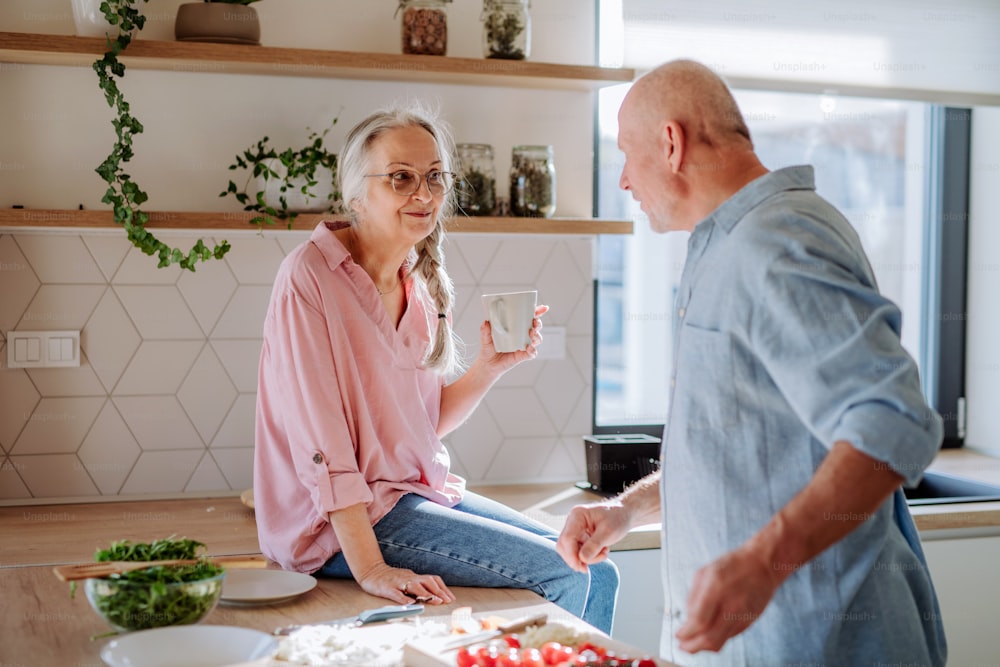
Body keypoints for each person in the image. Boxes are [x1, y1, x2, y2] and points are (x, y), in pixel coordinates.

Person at [556, 60, 947, 664]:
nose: (625, 181)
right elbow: (746, 452)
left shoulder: (780, 241)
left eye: (627, 156)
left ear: (671, 142)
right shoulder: (723, 248)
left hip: (818, 644)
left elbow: (892, 422)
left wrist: (765, 563)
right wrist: (626, 510)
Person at [254, 104, 618, 633]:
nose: (423, 194)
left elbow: (419, 430)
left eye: (434, 178)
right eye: (401, 178)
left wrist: (490, 366)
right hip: (333, 529)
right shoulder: (309, 277)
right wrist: (372, 568)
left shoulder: (416, 283)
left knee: (595, 568)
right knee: (569, 573)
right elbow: (323, 448)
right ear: (356, 193)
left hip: (406, 498)